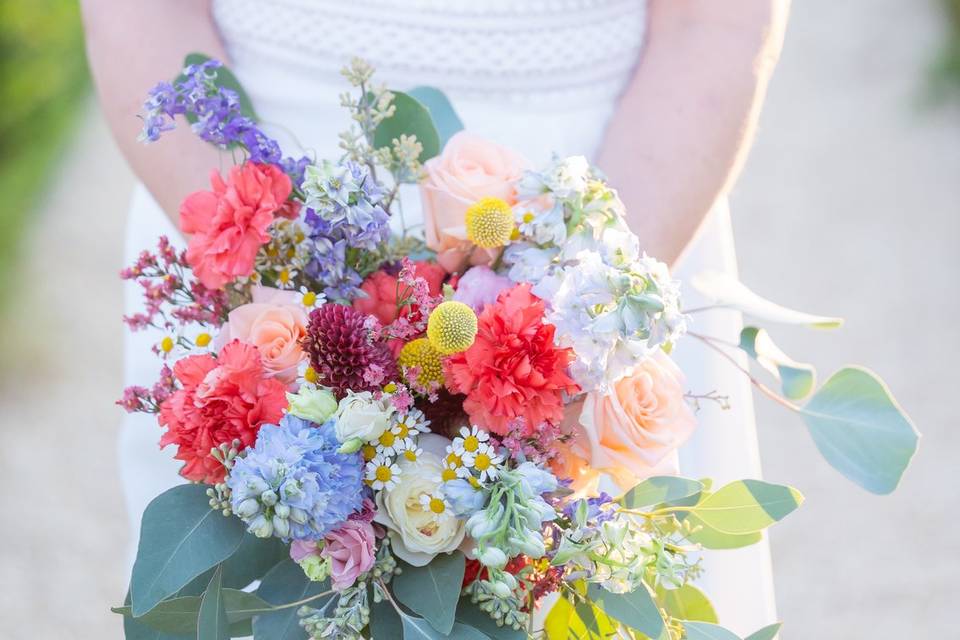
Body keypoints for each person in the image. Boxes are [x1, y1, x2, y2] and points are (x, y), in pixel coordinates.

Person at [82, 0, 789, 633]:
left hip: (614, 194)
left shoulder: (595, 276)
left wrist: (583, 322)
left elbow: (714, 19)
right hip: (242, 208)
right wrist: (271, 285)